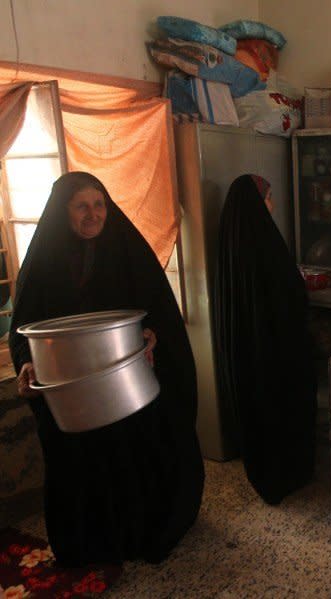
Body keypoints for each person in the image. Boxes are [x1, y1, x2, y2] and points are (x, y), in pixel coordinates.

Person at [9, 172, 204, 567]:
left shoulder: (125, 249)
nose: (92, 214)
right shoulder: (44, 261)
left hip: (124, 382)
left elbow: (158, 308)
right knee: (80, 462)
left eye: (99, 205)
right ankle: (94, 542)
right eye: (81, 206)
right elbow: (23, 325)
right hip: (70, 388)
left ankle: (141, 531)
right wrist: (26, 364)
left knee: (132, 454)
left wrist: (153, 333)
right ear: (63, 211)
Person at [214, 174, 317, 505]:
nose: (271, 204)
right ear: (259, 203)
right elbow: (288, 296)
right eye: (269, 197)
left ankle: (265, 474)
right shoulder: (266, 243)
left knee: (258, 413)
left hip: (245, 352)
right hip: (275, 350)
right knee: (284, 407)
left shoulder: (228, 242)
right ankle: (289, 474)